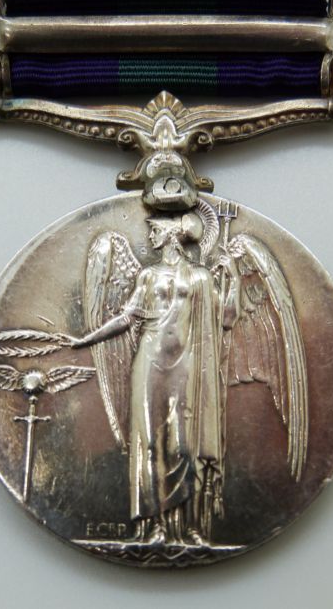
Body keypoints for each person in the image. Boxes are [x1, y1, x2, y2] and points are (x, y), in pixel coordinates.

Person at [69, 212, 241, 545]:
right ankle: (156, 527)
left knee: (184, 444)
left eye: (156, 230)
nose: (150, 237)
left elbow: (227, 319)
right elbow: (126, 319)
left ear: (173, 234)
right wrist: (85, 340)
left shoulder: (202, 277)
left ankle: (189, 528)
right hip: (148, 364)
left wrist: (233, 277)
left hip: (187, 365)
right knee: (149, 441)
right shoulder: (148, 276)